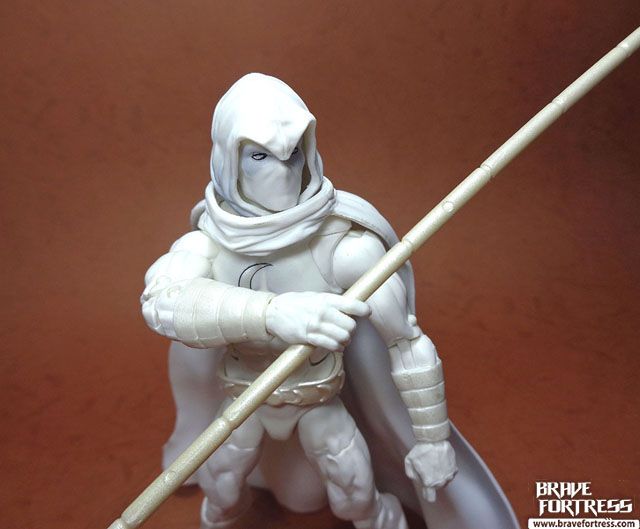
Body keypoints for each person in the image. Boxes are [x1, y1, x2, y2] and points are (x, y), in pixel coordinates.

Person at [141, 73, 517, 529]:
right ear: (229, 160)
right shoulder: (209, 243)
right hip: (244, 400)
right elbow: (162, 302)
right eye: (260, 156)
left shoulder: (344, 247)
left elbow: (407, 343)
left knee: (356, 498)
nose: (282, 172)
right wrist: (272, 314)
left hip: (317, 398)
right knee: (220, 493)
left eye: (293, 153)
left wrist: (433, 441)